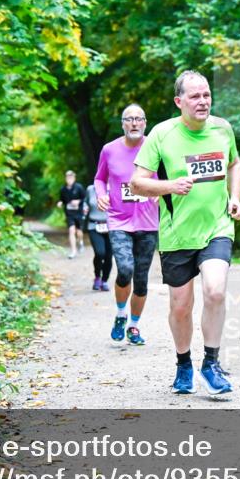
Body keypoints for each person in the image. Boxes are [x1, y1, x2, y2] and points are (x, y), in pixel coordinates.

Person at [130, 71, 240, 395]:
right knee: (181, 306)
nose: (203, 101)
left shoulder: (223, 129)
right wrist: (170, 186)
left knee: (216, 291)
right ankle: (183, 364)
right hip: (177, 234)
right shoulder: (162, 135)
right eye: (195, 96)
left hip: (217, 227)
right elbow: (138, 181)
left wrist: (234, 198)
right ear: (179, 102)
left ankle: (211, 362)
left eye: (206, 95)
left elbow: (234, 164)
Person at [94, 103, 160, 346]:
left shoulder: (155, 148)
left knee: (141, 279)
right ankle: (121, 314)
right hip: (119, 220)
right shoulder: (109, 150)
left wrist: (159, 191)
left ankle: (133, 325)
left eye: (139, 119)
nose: (134, 123)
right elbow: (99, 179)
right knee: (124, 269)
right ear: (122, 124)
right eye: (129, 119)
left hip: (147, 221)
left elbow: (164, 177)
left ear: (145, 123)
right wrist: (100, 194)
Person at [84, 184, 113, 291]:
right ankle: (97, 277)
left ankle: (104, 280)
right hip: (94, 225)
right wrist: (84, 208)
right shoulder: (90, 189)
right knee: (100, 253)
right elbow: (85, 202)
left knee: (109, 256)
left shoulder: (114, 187)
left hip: (111, 226)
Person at [56, 170, 86, 258]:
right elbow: (62, 199)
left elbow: (85, 198)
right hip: (69, 213)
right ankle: (73, 251)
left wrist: (78, 201)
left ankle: (80, 241)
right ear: (65, 178)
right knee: (71, 230)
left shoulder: (79, 187)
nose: (69, 179)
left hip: (79, 212)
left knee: (79, 232)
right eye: (68, 177)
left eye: (71, 177)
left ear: (74, 178)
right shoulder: (63, 189)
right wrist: (60, 203)